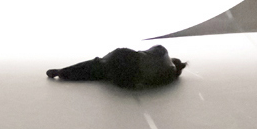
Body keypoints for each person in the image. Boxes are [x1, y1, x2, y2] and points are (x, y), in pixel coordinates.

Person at [46, 44, 187, 89]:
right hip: (127, 80)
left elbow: (143, 52)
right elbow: (150, 83)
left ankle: (62, 72)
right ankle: (64, 73)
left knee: (97, 64)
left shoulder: (162, 51)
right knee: (99, 70)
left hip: (125, 59)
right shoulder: (169, 77)